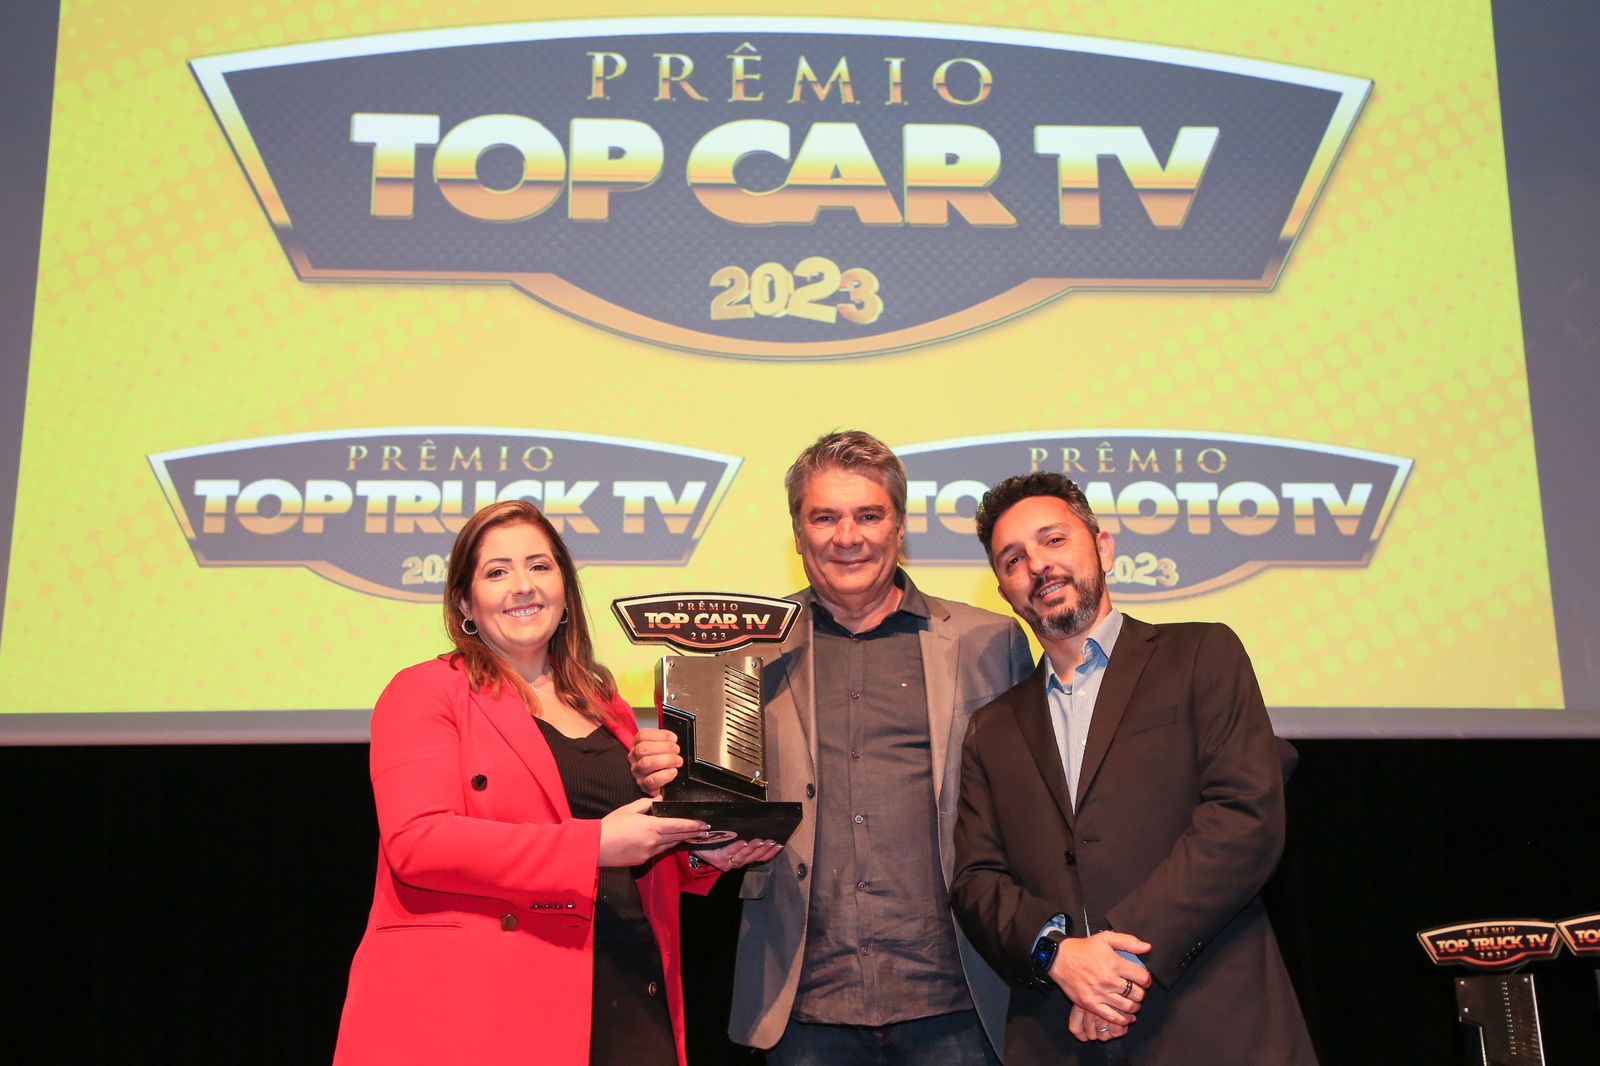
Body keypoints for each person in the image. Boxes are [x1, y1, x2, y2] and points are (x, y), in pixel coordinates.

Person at [631, 430, 1033, 1064]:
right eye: (825, 518)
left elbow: (1035, 811)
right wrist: (675, 785)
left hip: (960, 1002)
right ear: (798, 535)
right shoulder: (739, 651)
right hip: (802, 1007)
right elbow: (711, 829)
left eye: (869, 515)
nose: (848, 537)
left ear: (900, 527)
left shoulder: (990, 641)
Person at [333, 500, 780, 1066]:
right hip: (488, 1003)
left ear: (565, 589)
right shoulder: (426, 691)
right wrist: (593, 845)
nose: (523, 586)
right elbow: (417, 843)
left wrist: (699, 851)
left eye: (539, 566)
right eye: (497, 571)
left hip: (627, 982)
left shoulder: (606, 705)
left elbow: (631, 852)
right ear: (465, 602)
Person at [949, 472, 1316, 1064]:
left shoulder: (1200, 655)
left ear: (1104, 548)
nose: (1038, 565)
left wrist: (1116, 962)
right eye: (1013, 559)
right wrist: (1059, 956)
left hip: (1210, 1022)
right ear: (1005, 590)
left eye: (1054, 540)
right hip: (1060, 1037)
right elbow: (976, 880)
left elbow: (1244, 817)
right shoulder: (991, 728)